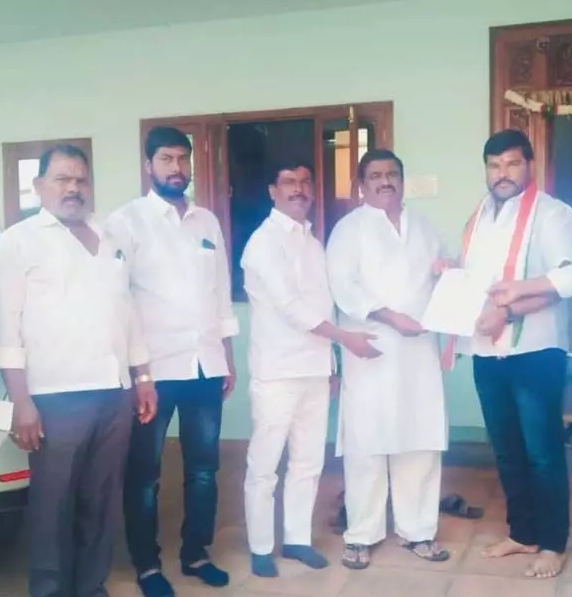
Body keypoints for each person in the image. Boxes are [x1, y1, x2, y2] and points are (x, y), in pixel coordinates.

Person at [0, 144, 159, 597]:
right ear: (39, 186)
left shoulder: (111, 240)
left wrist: (142, 378)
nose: (73, 187)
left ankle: (91, 586)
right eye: (62, 179)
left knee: (100, 502)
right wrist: (21, 402)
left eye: (81, 179)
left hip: (114, 392)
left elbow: (129, 314)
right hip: (53, 397)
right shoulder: (16, 242)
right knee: (52, 507)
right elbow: (6, 332)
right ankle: (49, 590)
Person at [105, 126, 239, 597]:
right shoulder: (125, 223)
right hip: (154, 371)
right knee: (145, 474)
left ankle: (196, 553)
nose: (177, 168)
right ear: (149, 165)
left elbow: (220, 292)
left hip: (205, 365)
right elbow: (118, 300)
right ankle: (146, 565)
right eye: (166, 159)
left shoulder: (207, 222)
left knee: (204, 469)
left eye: (182, 159)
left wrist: (227, 356)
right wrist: (136, 372)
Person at [240, 159, 382, 578]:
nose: (299, 189)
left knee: (307, 461)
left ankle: (297, 538)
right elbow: (290, 308)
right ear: (273, 190)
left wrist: (333, 362)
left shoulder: (313, 242)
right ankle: (261, 546)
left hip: (316, 369)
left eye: (305, 182)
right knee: (265, 464)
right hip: (277, 371)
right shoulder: (263, 243)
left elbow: (325, 305)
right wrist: (346, 340)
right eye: (289, 182)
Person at [450, 129, 572, 579]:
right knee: (506, 449)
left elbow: (566, 281)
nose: (502, 173)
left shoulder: (553, 215)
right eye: (494, 165)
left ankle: (552, 542)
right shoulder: (480, 217)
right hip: (487, 352)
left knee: (542, 450)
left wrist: (507, 312)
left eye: (511, 164)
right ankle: (522, 532)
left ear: (529, 165)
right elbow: (474, 282)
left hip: (535, 350)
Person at [326, 148, 451, 570]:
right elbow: (343, 286)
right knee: (367, 443)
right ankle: (361, 534)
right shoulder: (349, 228)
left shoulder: (425, 226)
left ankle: (419, 531)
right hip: (372, 347)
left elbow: (445, 277)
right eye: (375, 175)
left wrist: (447, 272)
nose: (385, 181)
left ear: (402, 180)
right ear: (361, 186)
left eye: (392, 174)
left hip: (418, 351)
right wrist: (390, 316)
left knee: (420, 439)